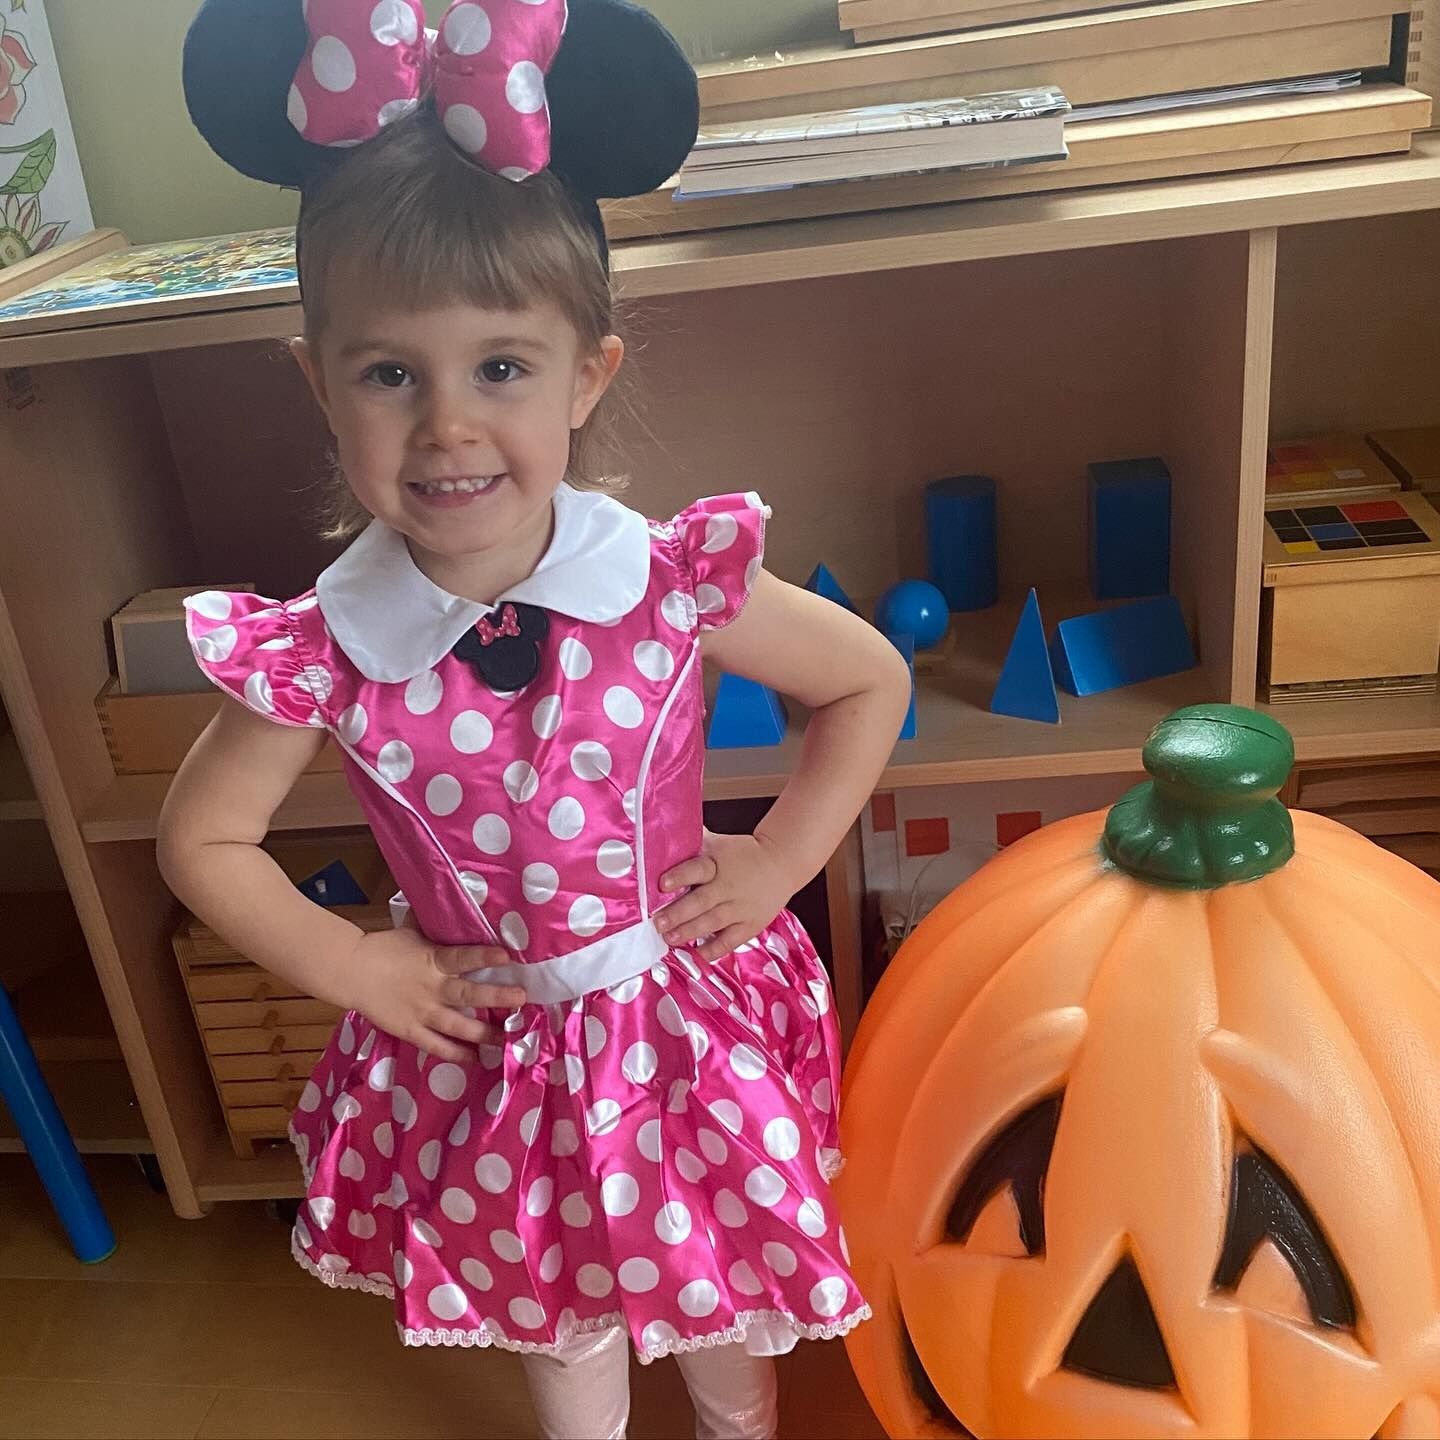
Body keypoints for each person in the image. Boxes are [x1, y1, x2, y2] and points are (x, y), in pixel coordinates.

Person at [161, 2, 911, 1436]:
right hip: (493, 1056)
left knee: (720, 1300)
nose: (448, 425)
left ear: (586, 376)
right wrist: (351, 963)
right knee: (557, 1315)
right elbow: (205, 840)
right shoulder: (325, 649)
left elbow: (865, 679)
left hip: (673, 1028)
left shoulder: (662, 581)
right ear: (323, 382)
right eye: (392, 374)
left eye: (499, 367)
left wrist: (774, 862)